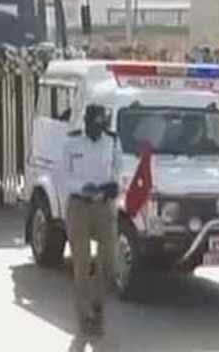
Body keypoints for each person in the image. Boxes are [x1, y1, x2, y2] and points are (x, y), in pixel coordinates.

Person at [61, 105, 121, 337]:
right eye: (94, 125)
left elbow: (118, 170)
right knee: (82, 263)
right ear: (86, 123)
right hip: (79, 207)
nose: (98, 131)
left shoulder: (112, 142)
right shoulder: (72, 143)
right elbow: (64, 176)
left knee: (108, 261)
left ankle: (97, 302)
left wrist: (113, 186)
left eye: (101, 126)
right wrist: (81, 187)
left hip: (104, 207)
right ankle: (85, 313)